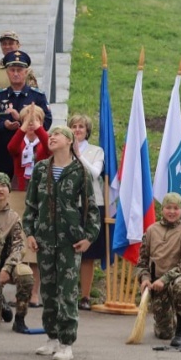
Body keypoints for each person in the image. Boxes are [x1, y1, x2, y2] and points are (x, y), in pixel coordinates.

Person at [23, 126, 100, 360]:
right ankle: (52, 337)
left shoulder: (80, 171)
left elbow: (91, 208)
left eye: (57, 134)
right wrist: (30, 232)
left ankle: (67, 343)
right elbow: (31, 206)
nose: (52, 137)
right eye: (51, 134)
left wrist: (89, 237)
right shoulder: (41, 169)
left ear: (69, 141)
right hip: (45, 239)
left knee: (66, 291)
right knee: (47, 290)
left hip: (70, 241)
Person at [136, 192, 181, 348]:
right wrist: (145, 279)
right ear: (162, 209)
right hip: (157, 286)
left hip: (174, 281)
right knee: (164, 334)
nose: (172, 212)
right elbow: (142, 262)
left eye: (176, 208)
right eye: (168, 208)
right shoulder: (151, 231)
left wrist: (164, 280)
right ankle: (167, 322)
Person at [0, 50, 52, 182]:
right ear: (7, 72)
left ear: (26, 72)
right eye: (12, 70)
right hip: (3, 151)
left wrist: (23, 123)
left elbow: (47, 122)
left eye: (19, 70)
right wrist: (4, 125)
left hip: (31, 153)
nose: (15, 74)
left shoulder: (37, 96)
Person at [0, 172, 35, 334]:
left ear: (9, 190)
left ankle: (20, 319)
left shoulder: (14, 217)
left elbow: (19, 246)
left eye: (3, 186)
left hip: (5, 264)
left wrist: (7, 268)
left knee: (26, 275)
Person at [71, 113, 105, 311]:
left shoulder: (96, 151)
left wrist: (78, 154)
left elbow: (94, 173)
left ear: (87, 131)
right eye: (74, 126)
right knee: (69, 250)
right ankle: (68, 293)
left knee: (88, 254)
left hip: (92, 204)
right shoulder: (62, 149)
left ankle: (84, 296)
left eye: (81, 127)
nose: (77, 130)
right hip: (70, 205)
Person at [0, 31, 39, 109]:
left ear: (18, 45)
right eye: (4, 44)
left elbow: (34, 95)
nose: (7, 47)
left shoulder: (27, 70)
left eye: (10, 43)